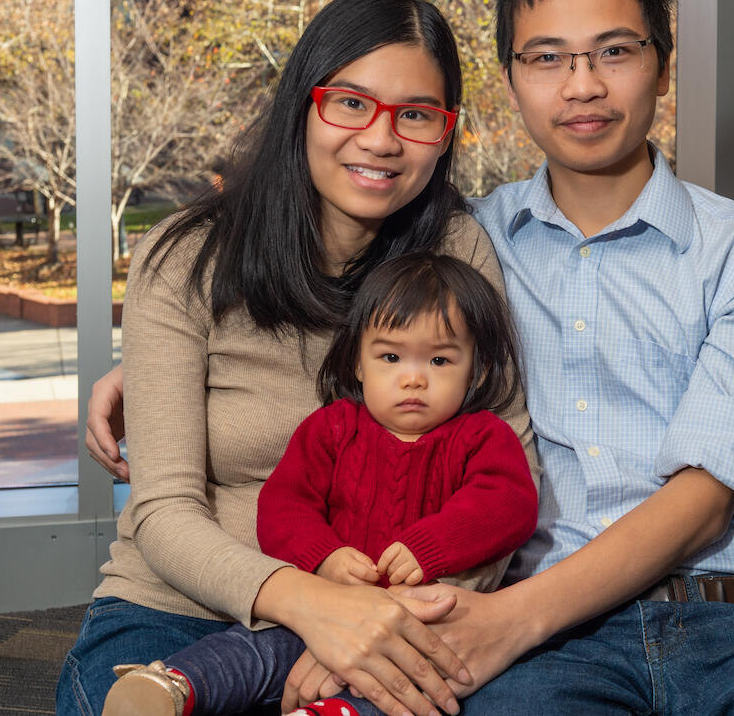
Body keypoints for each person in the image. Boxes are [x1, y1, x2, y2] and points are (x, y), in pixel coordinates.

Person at [88, 0, 734, 714]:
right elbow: (213, 463)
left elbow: (679, 494)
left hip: (683, 611)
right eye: (547, 58)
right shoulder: (462, 240)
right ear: (513, 80)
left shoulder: (719, 254)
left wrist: (476, 622)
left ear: (662, 62)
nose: (581, 86)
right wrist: (156, 374)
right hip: (435, 631)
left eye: (614, 52)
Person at [58, 0, 538, 716]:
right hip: (179, 609)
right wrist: (316, 609)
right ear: (303, 104)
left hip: (398, 616)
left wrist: (381, 623)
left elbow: (508, 466)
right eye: (350, 102)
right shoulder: (189, 256)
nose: (380, 139)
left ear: (445, 133)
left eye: (415, 115)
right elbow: (163, 512)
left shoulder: (456, 249)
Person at [101, 253, 538, 716]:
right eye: (390, 357)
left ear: (478, 370)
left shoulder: (483, 436)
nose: (413, 378)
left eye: (439, 360)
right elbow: (285, 504)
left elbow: (509, 503)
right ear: (358, 365)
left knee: (407, 690)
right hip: (321, 606)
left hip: (421, 620)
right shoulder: (333, 428)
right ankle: (175, 685)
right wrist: (323, 557)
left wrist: (432, 545)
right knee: (254, 649)